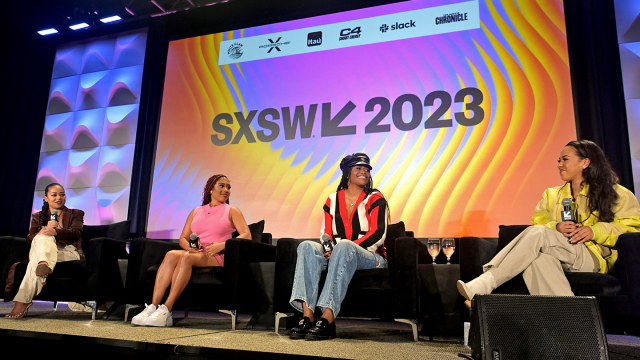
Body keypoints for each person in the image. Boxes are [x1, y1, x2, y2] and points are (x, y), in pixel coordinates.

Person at [457, 140, 640, 305]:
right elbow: (539, 222)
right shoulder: (551, 195)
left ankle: (486, 282)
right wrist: (556, 227)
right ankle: (572, 327)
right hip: (559, 251)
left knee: (538, 233)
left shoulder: (617, 193)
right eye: (558, 160)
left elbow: (631, 227)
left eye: (565, 159)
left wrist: (596, 231)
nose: (559, 164)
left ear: (585, 162)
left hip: (592, 257)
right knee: (537, 259)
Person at [288, 153, 389, 340]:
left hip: (371, 256)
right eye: (358, 168)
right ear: (347, 172)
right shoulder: (332, 200)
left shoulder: (375, 197)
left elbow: (378, 234)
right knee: (307, 247)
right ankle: (308, 316)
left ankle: (327, 319)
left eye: (367, 169)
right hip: (339, 252)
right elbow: (326, 234)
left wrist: (340, 248)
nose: (364, 172)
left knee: (344, 246)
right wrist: (328, 250)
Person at [131, 174, 251, 327]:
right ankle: (153, 307)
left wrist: (222, 245)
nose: (226, 190)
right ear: (210, 189)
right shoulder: (196, 211)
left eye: (228, 187)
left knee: (186, 258)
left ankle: (167, 309)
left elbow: (247, 235)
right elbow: (183, 238)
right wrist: (189, 247)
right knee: (171, 254)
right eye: (221, 185)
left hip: (217, 255)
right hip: (197, 253)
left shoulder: (232, 210)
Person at [5, 183, 85, 318]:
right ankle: (44, 262)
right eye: (54, 195)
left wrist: (55, 231)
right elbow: (30, 238)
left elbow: (75, 233)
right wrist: (45, 230)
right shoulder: (37, 216)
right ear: (46, 198)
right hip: (43, 248)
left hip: (66, 251)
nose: (59, 198)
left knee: (38, 254)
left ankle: (22, 302)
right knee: (42, 236)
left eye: (62, 194)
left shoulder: (75, 213)